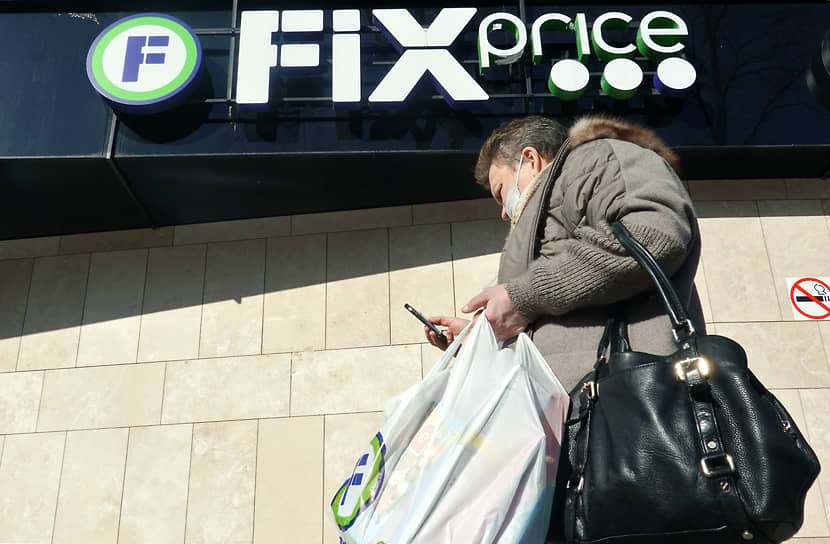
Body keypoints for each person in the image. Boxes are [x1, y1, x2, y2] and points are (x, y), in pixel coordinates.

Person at [424, 115, 705, 391]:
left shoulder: (597, 159)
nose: (503, 213)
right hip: (580, 406)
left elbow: (654, 237)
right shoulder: (542, 215)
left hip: (628, 398)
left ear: (530, 160)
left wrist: (521, 297)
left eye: (501, 193)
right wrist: (482, 340)